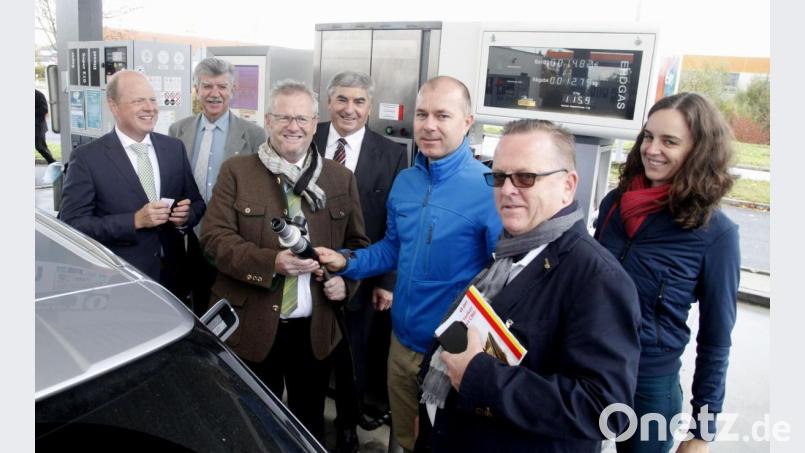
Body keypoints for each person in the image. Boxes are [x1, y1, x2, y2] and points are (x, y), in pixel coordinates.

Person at [414, 118, 640, 452]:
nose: (507, 190)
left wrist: (480, 377)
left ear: (568, 185)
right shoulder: (510, 251)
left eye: (525, 177)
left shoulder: (597, 279)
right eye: (499, 176)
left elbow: (607, 411)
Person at [317, 76, 502, 452]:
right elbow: (391, 249)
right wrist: (346, 260)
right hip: (401, 344)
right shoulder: (406, 182)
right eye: (421, 114)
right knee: (405, 440)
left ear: (467, 122)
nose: (429, 125)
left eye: (442, 115)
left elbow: (502, 279)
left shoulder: (490, 190)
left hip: (452, 353)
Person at [199, 80, 369, 443]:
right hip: (252, 326)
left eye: (302, 119)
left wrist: (346, 282)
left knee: (308, 425)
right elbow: (213, 240)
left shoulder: (340, 178)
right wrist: (271, 263)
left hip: (315, 331)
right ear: (268, 120)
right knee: (252, 426)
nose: (294, 127)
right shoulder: (237, 172)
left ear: (315, 123)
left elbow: (357, 246)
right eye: (284, 118)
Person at [594, 92, 740, 452]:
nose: (652, 149)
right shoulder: (615, 204)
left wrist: (701, 431)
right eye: (648, 136)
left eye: (669, 141)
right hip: (589, 365)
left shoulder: (716, 233)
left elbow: (716, 339)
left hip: (648, 383)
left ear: (699, 150)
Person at [313, 70, 407, 452]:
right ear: (328, 102)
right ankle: (308, 423)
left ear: (369, 107)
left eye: (358, 101)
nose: (349, 109)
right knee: (310, 355)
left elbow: (395, 223)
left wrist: (386, 281)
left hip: (362, 276)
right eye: (341, 99)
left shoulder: (392, 154)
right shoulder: (307, 135)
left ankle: (348, 427)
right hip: (307, 268)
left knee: (353, 359)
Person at [59, 70, 205, 297]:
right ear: (114, 106)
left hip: (173, 281)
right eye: (138, 101)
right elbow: (72, 225)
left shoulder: (174, 148)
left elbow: (196, 203)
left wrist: (185, 217)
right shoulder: (88, 158)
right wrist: (134, 221)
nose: (150, 108)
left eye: (152, 100)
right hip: (120, 283)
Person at [169, 57, 268, 316]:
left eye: (222, 86)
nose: (215, 93)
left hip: (233, 238)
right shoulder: (178, 130)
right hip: (190, 238)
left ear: (233, 90)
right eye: (207, 86)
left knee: (229, 308)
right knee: (193, 307)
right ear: (196, 89)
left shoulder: (255, 135)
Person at [35, 89, 57, 164]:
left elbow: (44, 110)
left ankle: (52, 163)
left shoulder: (38, 95)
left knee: (40, 147)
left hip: (38, 126)